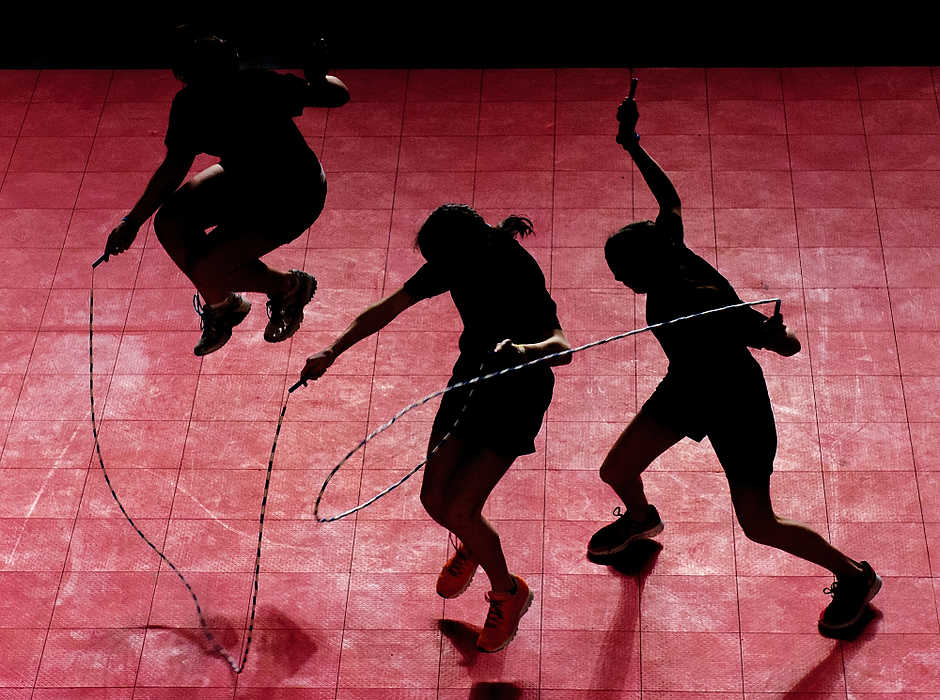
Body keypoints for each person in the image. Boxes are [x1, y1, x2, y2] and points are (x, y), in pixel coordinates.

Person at [590, 93, 881, 636]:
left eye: (619, 272)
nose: (616, 281)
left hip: (736, 404)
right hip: (686, 388)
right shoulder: (669, 246)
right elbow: (670, 199)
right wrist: (632, 144)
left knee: (758, 524)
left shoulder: (701, 297)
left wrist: (774, 334)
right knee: (616, 469)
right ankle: (641, 519)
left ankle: (856, 575)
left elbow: (786, 345)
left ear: (642, 268)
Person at [298, 203, 571, 651]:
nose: (436, 270)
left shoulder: (516, 268)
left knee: (461, 508)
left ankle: (508, 592)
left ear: (467, 249)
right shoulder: (455, 261)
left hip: (519, 392)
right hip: (470, 379)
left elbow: (562, 348)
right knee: (433, 499)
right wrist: (332, 350)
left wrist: (522, 350)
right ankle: (476, 543)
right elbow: (389, 307)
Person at [103, 26, 349, 355]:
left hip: (293, 194)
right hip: (243, 180)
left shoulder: (260, 85)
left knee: (207, 269)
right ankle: (224, 306)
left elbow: (338, 95)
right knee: (169, 222)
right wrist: (132, 222)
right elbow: (174, 167)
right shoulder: (188, 105)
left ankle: (290, 287)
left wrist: (318, 79)